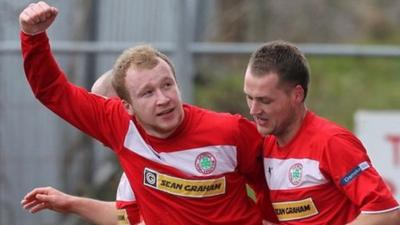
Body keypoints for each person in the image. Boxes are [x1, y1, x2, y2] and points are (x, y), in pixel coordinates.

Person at [19, 2, 277, 224]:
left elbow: (275, 176)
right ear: (126, 106)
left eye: (167, 85)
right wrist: (33, 35)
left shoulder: (229, 131)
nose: (163, 99)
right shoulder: (119, 126)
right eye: (147, 93)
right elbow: (52, 91)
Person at [243, 40, 400, 224]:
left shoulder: (331, 142)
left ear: (297, 95)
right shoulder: (265, 146)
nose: (254, 110)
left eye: (265, 101)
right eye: (249, 97)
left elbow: (387, 213)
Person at [21, 71, 143, 225]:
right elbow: (125, 216)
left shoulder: (156, 161)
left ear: (125, 107)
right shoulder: (134, 164)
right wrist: (70, 203)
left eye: (101, 113)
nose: (94, 125)